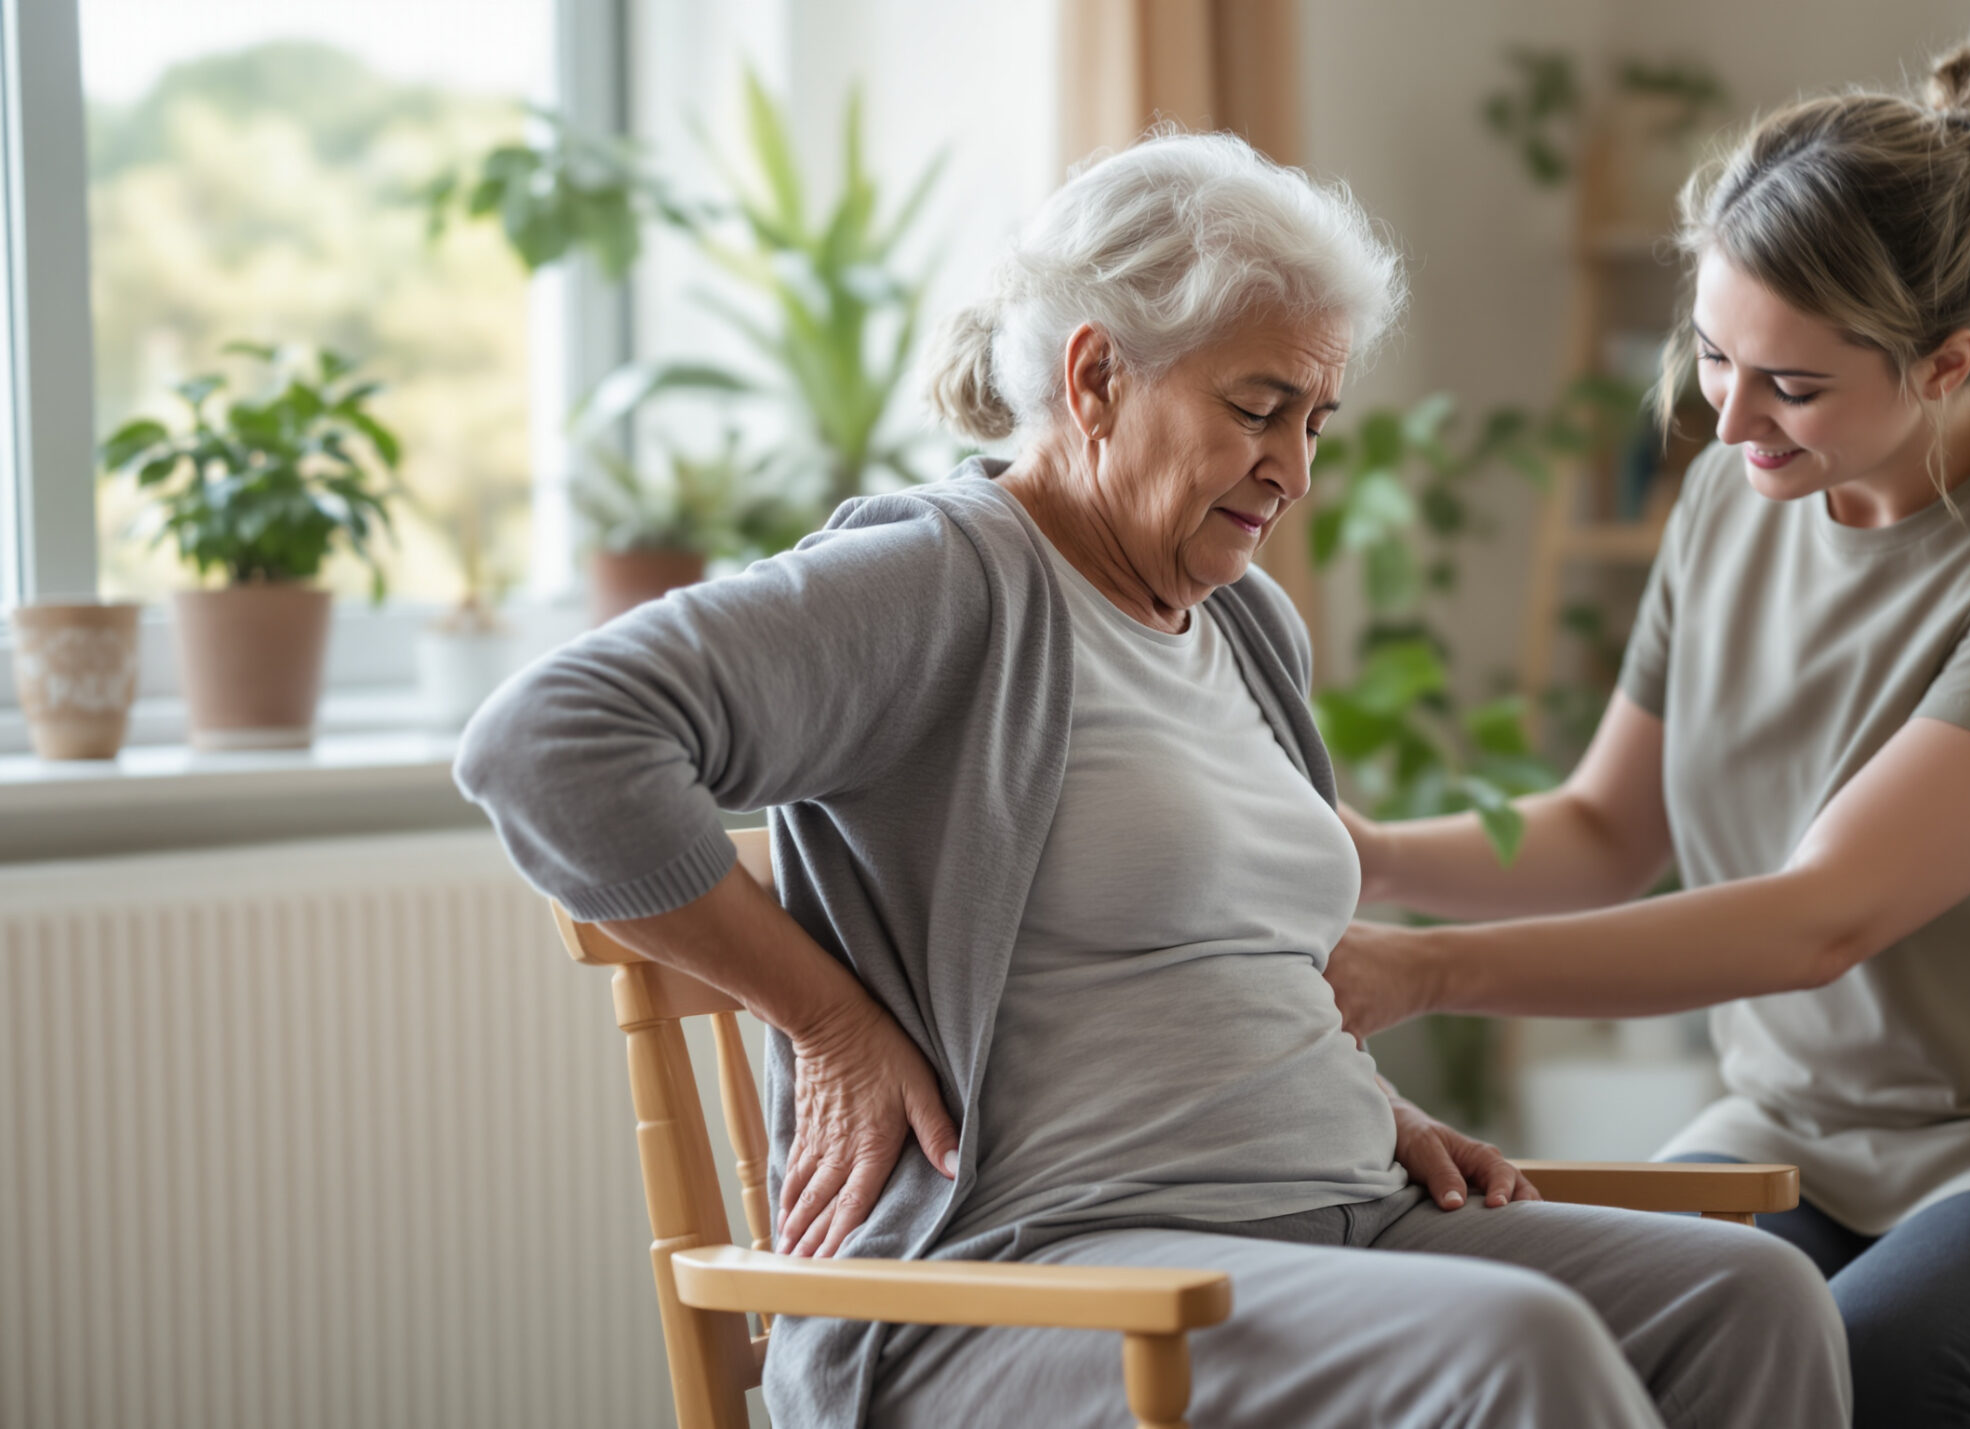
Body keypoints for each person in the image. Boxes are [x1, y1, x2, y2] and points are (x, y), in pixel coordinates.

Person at [456, 132, 1848, 1429]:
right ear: (1096, 377)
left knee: (1756, 1296)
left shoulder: (1241, 622)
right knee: (1511, 1347)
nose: (1296, 467)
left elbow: (1222, 944)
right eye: (1260, 407)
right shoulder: (942, 582)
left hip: (1328, 1225)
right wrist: (827, 1022)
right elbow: (547, 742)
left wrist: (1371, 1109)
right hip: (1033, 1274)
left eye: (1319, 417)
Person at [1322, 40, 1970, 1429]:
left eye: (1792, 382)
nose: (1728, 412)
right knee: (1558, 1337)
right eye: (1713, 355)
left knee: (1869, 1370)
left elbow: (1823, 915)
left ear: (1948, 360)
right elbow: (1605, 829)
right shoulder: (1735, 495)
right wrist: (1362, 856)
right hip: (1791, 1136)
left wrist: (1423, 974)